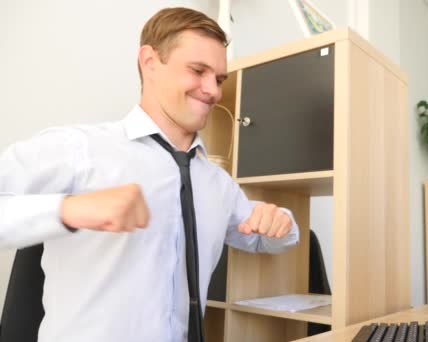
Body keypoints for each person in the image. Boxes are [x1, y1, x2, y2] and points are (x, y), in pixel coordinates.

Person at [0, 7, 299, 342]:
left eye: (219, 79)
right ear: (150, 63)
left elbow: (266, 240)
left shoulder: (219, 184)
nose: (212, 90)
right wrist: (69, 209)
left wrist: (281, 221)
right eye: (198, 71)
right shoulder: (79, 150)